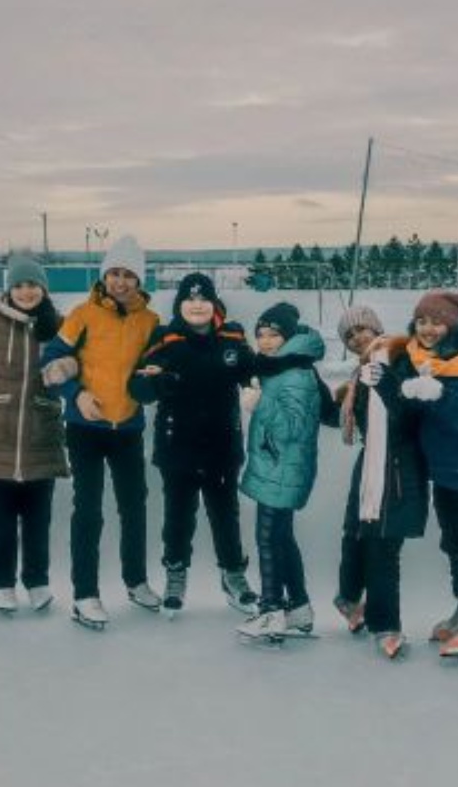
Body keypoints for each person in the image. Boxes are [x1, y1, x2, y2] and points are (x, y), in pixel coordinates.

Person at [366, 290, 458, 659]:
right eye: (422, 321)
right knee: (454, 543)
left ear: (452, 326)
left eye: (437, 322)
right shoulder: (421, 356)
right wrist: (386, 383)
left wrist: (436, 392)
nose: (428, 328)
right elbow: (409, 410)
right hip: (444, 471)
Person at [39, 236, 161, 630]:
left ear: (139, 280)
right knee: (88, 509)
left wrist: (154, 382)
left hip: (128, 428)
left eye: (128, 275)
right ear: (104, 276)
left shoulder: (150, 322)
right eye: (114, 273)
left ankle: (136, 581)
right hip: (85, 428)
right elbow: (51, 359)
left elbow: (159, 366)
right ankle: (85, 595)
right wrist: (76, 394)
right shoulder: (83, 314)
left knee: (134, 506)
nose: (120, 282)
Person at [129, 272, 259, 617]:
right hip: (178, 446)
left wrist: (253, 386)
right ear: (180, 304)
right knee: (178, 517)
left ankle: (233, 575)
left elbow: (251, 371)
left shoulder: (232, 336)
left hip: (222, 445)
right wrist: (158, 384)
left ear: (214, 303)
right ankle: (175, 574)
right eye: (190, 298)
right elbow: (137, 387)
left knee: (225, 514)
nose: (197, 305)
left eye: (204, 299)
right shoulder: (165, 337)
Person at [0, 254, 69, 614]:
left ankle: (36, 581)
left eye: (32, 285)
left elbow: (79, 367)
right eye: (18, 285)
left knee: (38, 523)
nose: (25, 292)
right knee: (1, 525)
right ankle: (1, 583)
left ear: (43, 289)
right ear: (8, 290)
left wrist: (69, 366)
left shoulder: (59, 327)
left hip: (41, 439)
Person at [330, 306, 429, 659]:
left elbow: (411, 414)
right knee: (354, 536)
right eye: (349, 335)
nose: (357, 338)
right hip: (370, 464)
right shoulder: (360, 374)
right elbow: (346, 416)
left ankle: (385, 625)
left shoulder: (402, 359)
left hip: (399, 466)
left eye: (362, 329)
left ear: (376, 328)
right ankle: (348, 599)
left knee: (382, 547)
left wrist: (386, 382)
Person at [236, 302, 326, 643]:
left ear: (288, 337)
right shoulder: (279, 367)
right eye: (260, 335)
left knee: (268, 539)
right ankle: (299, 607)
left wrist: (261, 404)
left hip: (284, 469)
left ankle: (271, 610)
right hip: (276, 467)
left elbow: (293, 428)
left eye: (273, 335)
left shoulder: (297, 374)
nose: (265, 341)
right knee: (281, 538)